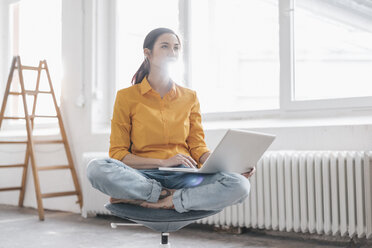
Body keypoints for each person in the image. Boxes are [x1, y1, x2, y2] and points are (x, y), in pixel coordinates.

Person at [87, 27, 256, 213]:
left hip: (184, 175)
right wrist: (162, 162)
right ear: (148, 53)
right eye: (165, 46)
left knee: (240, 184)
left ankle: (166, 199)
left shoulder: (190, 97)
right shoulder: (126, 97)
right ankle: (161, 193)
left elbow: (197, 147)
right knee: (96, 167)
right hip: (142, 175)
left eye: (176, 48)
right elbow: (118, 153)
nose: (172, 52)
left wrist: (231, 166)